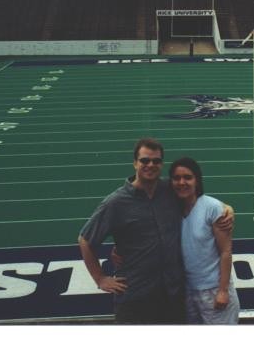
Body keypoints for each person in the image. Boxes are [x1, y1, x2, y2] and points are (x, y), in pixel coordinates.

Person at [77, 137, 232, 324]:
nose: (151, 165)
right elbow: (85, 240)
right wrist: (100, 278)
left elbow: (197, 198)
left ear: (161, 164)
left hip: (172, 296)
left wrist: (227, 208)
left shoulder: (170, 190)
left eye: (156, 161)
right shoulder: (116, 202)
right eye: (145, 160)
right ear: (135, 163)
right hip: (136, 297)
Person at [170, 157, 240, 324]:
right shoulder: (171, 209)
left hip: (214, 290)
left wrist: (223, 291)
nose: (182, 182)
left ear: (197, 181)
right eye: (177, 178)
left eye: (187, 177)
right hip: (187, 291)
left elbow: (225, 251)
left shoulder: (212, 208)